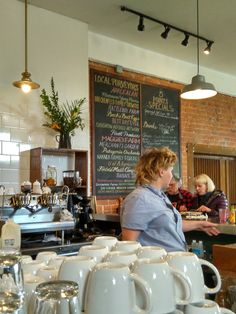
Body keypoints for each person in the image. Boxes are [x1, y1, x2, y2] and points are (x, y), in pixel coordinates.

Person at [120, 147, 220, 252]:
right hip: (159, 265)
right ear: (161, 171)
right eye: (171, 170)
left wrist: (199, 225)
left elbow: (171, 225)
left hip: (173, 262)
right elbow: (128, 245)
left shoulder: (159, 196)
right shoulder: (140, 199)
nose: (171, 175)